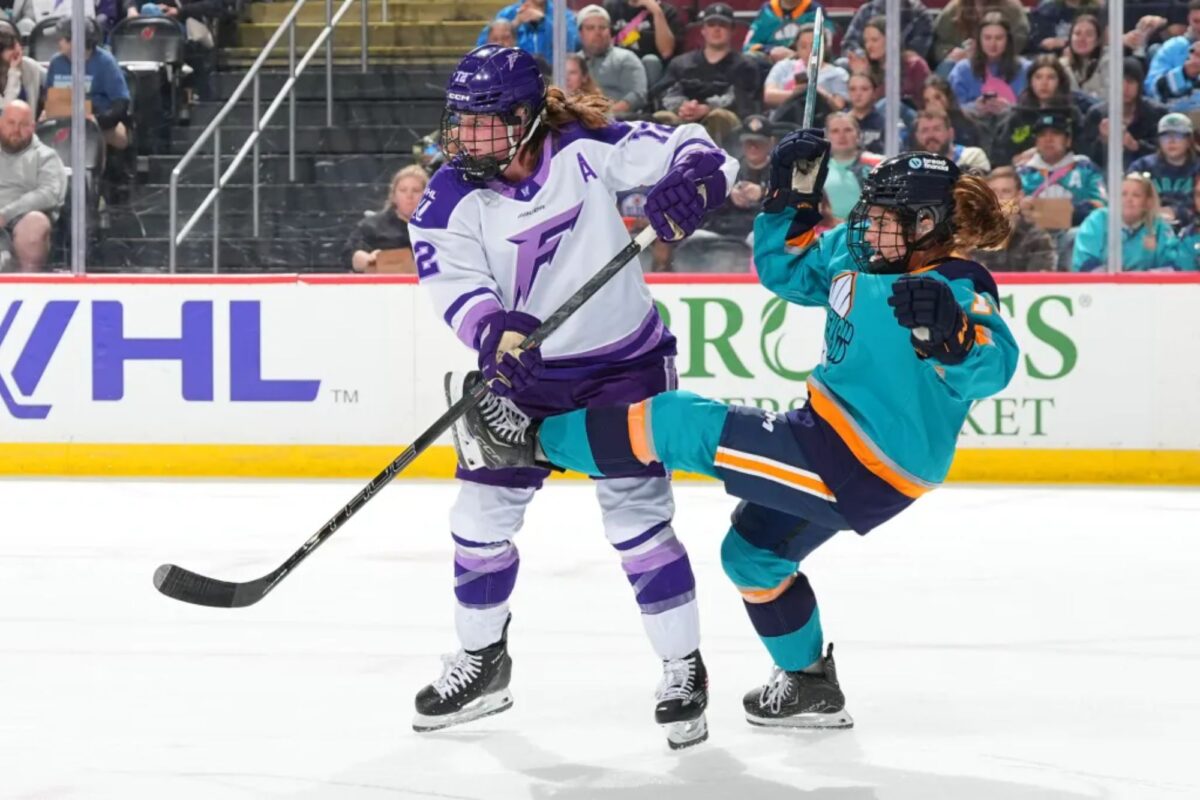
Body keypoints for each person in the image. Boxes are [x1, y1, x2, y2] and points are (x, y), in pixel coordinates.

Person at [444, 133, 1018, 729]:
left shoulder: (957, 284)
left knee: (678, 422)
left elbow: (992, 365)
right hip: (826, 432)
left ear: (926, 224)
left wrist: (951, 337)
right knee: (751, 556)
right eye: (866, 212)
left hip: (867, 461)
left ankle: (526, 440)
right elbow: (786, 270)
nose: (866, 225)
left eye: (883, 218)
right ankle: (809, 687)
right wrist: (788, 203)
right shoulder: (856, 250)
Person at [407, 45, 739, 748]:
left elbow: (693, 144)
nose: (467, 138)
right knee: (478, 520)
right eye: (461, 122)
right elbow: (456, 286)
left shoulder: (586, 149)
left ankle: (683, 667)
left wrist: (697, 176)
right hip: (526, 376)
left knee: (637, 521)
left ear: (527, 118)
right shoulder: (445, 197)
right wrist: (493, 333)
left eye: (486, 123)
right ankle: (481, 660)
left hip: (625, 365)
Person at [653, 3, 760, 146]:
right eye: (711, 24)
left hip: (725, 129)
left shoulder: (745, 66)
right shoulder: (680, 63)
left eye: (722, 25)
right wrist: (682, 107)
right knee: (661, 116)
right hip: (682, 118)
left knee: (718, 116)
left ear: (732, 30)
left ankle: (714, 158)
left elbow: (743, 104)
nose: (716, 29)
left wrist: (707, 109)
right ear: (703, 29)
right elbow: (662, 94)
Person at [45, 17, 131, 151]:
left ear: (75, 42)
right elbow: (49, 97)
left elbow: (120, 104)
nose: (57, 42)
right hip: (64, 118)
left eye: (60, 38)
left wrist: (97, 120)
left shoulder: (106, 62)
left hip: (99, 119)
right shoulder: (56, 62)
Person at [0, 100, 67, 272]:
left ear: (33, 127)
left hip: (21, 221)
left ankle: (26, 284)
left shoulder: (46, 157)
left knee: (35, 223)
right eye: (11, 123)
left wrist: (5, 214)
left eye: (23, 125)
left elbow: (49, 194)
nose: (16, 130)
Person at [1072, 173, 1185, 271]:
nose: (1129, 200)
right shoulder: (1098, 220)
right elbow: (1084, 261)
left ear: (1148, 202)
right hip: (1102, 285)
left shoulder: (1160, 227)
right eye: (1123, 194)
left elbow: (1171, 267)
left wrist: (1140, 279)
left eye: (1136, 195)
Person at [1015, 111, 1105, 228]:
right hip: (1032, 234)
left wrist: (1071, 212)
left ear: (1068, 140)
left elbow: (1102, 206)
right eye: (1042, 135)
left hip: (1079, 233)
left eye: (1056, 133)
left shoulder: (1086, 169)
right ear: (1036, 142)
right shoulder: (1023, 174)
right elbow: (1005, 209)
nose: (1048, 139)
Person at [1076, 57, 1163, 170]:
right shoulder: (1096, 114)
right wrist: (1103, 141)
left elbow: (1165, 153)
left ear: (1140, 85)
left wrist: (1135, 146)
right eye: (1119, 81)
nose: (1124, 88)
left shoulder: (1156, 113)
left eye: (1130, 82)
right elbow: (1085, 156)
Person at [994, 55, 1082, 167]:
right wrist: (1014, 160)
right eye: (1038, 77)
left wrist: (1042, 153)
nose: (1044, 83)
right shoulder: (1017, 115)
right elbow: (1000, 155)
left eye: (1051, 77)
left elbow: (1081, 150)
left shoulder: (1071, 114)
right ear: (1030, 81)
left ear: (1060, 82)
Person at [971, 166, 1057, 270]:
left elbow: (1039, 278)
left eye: (1006, 191)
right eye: (993, 191)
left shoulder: (1036, 238)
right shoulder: (972, 238)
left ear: (1019, 196)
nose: (998, 198)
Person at [344, 165, 428, 273]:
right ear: (394, 196)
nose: (409, 196)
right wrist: (368, 260)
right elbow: (349, 254)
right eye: (403, 190)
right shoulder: (371, 227)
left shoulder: (440, 229)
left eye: (416, 190)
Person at [763, 23, 848, 122]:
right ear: (797, 48)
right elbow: (769, 96)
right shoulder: (783, 66)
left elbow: (838, 106)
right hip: (784, 122)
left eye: (814, 46)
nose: (809, 51)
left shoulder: (837, 73)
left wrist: (815, 91)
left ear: (824, 47)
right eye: (803, 46)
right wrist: (798, 94)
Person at [1129, 112, 1200, 228]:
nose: (1171, 141)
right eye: (1165, 136)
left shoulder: (1197, 168)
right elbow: (1128, 201)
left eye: (1178, 135)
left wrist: (1177, 213)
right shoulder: (1141, 167)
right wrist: (1153, 213)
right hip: (1148, 226)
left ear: (1189, 140)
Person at [948, 12, 1031, 112]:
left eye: (999, 38)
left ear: (1008, 40)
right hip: (972, 121)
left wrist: (1010, 109)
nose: (993, 44)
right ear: (979, 40)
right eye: (987, 38)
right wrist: (975, 107)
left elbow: (1035, 108)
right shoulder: (962, 70)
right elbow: (952, 110)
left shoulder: (1026, 69)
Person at [845, 15, 931, 108]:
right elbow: (862, 108)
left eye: (874, 40)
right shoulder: (868, 67)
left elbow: (927, 100)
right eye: (866, 41)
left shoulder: (914, 65)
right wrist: (861, 76)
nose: (869, 46)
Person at [577, 4, 648, 115]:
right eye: (590, 28)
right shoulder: (573, 63)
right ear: (580, 33)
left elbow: (637, 95)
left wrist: (605, 114)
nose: (597, 32)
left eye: (602, 27)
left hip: (618, 119)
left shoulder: (626, 58)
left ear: (609, 31)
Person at [603, 0, 683, 88]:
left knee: (651, 60)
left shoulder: (667, 11)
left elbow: (666, 52)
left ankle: (652, 96)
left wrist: (657, 12)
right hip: (619, 66)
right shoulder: (611, 7)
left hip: (649, 70)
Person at [820, 112, 883, 221]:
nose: (841, 136)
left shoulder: (877, 164)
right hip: (828, 229)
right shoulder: (817, 168)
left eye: (848, 130)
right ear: (827, 137)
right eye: (835, 131)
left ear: (858, 135)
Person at [932, 0, 1030, 69]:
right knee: (947, 67)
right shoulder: (954, 9)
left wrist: (983, 52)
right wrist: (951, 52)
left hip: (1002, 62)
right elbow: (939, 42)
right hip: (962, 63)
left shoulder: (1011, 8)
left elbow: (1019, 39)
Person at [476, 0, 580, 63]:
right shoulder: (507, 14)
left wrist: (544, 21)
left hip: (553, 79)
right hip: (514, 77)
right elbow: (482, 47)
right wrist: (514, 25)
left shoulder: (563, 14)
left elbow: (574, 45)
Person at [1145, 0, 1200, 113]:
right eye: (1196, 21)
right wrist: (1184, 74)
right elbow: (1152, 90)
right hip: (1177, 116)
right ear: (1189, 19)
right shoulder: (1172, 47)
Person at [841, 0, 933, 62]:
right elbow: (849, 44)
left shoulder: (919, 14)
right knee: (842, 63)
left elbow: (917, 52)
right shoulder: (867, 10)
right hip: (867, 66)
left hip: (903, 67)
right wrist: (863, 57)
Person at [743, 0, 824, 64]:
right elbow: (748, 46)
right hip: (768, 65)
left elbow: (824, 50)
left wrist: (795, 55)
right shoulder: (767, 10)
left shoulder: (815, 11)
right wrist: (770, 50)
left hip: (803, 65)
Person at [912, 109, 991, 173]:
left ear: (950, 133)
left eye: (937, 129)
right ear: (916, 136)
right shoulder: (912, 164)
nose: (931, 135)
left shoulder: (973, 156)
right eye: (924, 131)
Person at [919, 74, 982, 148]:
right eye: (927, 101)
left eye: (937, 98)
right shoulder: (921, 129)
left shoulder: (966, 125)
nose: (932, 104)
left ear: (948, 97)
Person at [0, 21, 46, 114]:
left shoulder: (29, 66)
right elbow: (6, 115)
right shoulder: (15, 69)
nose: (16, 48)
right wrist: (14, 73)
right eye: (8, 44)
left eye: (15, 40)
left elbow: (56, 83)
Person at [846, 72, 886, 154]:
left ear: (875, 92)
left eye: (864, 89)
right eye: (853, 89)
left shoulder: (885, 123)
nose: (858, 94)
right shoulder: (838, 123)